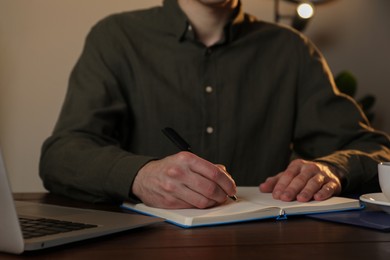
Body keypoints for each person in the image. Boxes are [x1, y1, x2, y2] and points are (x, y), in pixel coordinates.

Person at [40, 0, 390, 209]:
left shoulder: (292, 49)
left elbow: (377, 150)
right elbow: (61, 155)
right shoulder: (115, 37)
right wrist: (140, 175)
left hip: (264, 247)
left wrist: (332, 170)